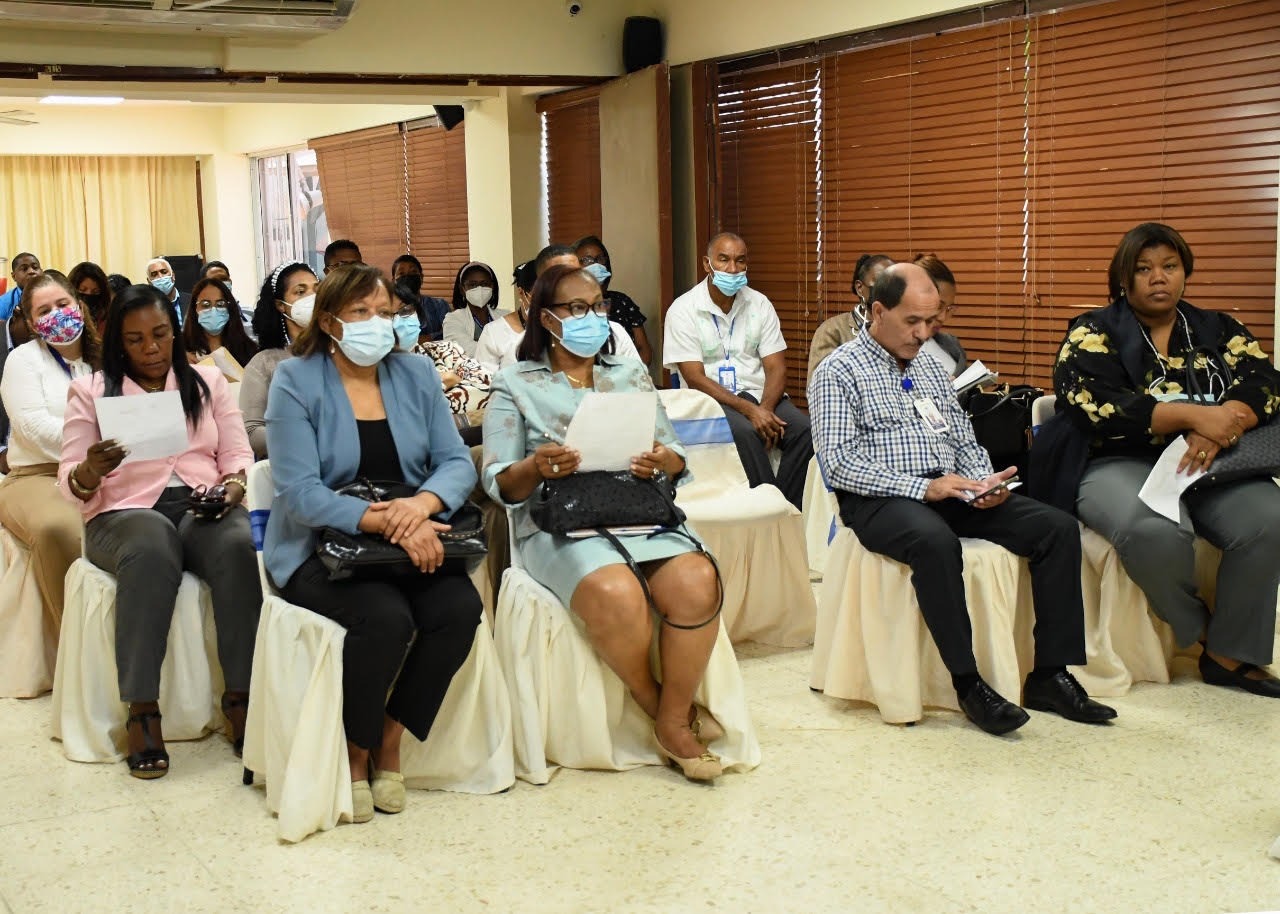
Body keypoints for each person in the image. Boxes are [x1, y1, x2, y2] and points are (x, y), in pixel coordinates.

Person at [809, 262, 1115, 735]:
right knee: (933, 542)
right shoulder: (838, 371)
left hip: (951, 487)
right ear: (877, 311)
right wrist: (922, 488)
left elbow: (964, 440)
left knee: (1054, 528)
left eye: (931, 322)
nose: (923, 333)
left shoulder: (931, 368)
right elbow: (839, 463)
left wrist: (982, 483)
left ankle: (1051, 674)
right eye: (912, 322)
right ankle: (969, 684)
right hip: (880, 497)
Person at [483, 263, 727, 781]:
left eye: (598, 307)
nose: (592, 317)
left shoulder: (629, 373)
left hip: (636, 510)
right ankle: (663, 711)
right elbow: (500, 482)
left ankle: (668, 717)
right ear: (545, 317)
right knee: (618, 593)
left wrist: (664, 461)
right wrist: (535, 465)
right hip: (559, 524)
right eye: (576, 309)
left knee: (697, 580)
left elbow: (676, 454)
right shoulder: (514, 382)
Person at [264, 264, 482, 823]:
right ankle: (356, 754)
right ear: (331, 321)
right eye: (360, 313)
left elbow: (455, 462)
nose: (375, 325)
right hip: (324, 545)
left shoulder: (415, 374)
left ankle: (390, 739)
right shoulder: (296, 379)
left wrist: (418, 509)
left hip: (409, 531)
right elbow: (301, 493)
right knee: (385, 619)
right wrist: (386, 522)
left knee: (459, 609)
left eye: (385, 313)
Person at [1053, 222, 1280, 698]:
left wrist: (1226, 423)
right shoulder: (1092, 333)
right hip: (1120, 460)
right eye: (1144, 269)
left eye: (1170, 266)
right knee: (1150, 530)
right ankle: (1201, 631)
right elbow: (1092, 403)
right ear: (1123, 278)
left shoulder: (1220, 329)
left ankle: (1229, 655)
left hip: (1217, 461)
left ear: (1185, 272)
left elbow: (1264, 383)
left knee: (1268, 517)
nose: (1159, 277)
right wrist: (1195, 416)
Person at [58, 283, 261, 778]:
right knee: (152, 544)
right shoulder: (91, 391)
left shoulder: (207, 383)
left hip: (199, 502)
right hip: (122, 512)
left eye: (160, 334)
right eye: (134, 339)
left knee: (238, 543)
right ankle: (142, 709)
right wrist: (91, 469)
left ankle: (243, 698)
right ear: (115, 342)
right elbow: (69, 484)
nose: (150, 348)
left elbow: (236, 454)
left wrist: (233, 488)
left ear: (174, 331)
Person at [663, 232, 813, 510]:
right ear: (707, 264)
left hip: (759, 395)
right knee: (746, 432)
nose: (732, 269)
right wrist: (751, 412)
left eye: (740, 261)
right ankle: (767, 510)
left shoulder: (759, 304)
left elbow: (777, 366)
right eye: (724, 260)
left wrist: (764, 409)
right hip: (710, 400)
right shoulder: (683, 310)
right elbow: (694, 377)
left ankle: (786, 508)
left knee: (805, 431)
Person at [0, 273, 101, 648]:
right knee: (57, 528)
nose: (57, 314)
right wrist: (97, 442)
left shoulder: (105, 356)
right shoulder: (23, 361)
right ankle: (78, 651)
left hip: (106, 470)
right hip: (35, 475)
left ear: (78, 304)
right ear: (29, 321)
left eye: (62, 304)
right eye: (44, 310)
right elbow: (32, 427)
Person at [241, 262, 318, 459]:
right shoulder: (264, 363)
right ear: (281, 305)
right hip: (291, 462)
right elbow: (252, 432)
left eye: (316, 289)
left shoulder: (338, 353)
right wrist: (307, 441)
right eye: (300, 292)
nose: (312, 297)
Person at [392, 279, 491, 432]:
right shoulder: (376, 369)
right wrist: (446, 379)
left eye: (406, 310)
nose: (399, 319)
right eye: (387, 314)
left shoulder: (445, 349)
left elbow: (486, 387)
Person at [808, 253, 892, 379]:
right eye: (880, 284)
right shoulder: (832, 331)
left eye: (895, 286)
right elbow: (819, 387)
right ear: (860, 288)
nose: (888, 291)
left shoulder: (903, 329)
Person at [574, 235, 653, 366]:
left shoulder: (622, 302)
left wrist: (635, 376)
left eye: (600, 258)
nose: (596, 264)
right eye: (587, 260)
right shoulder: (567, 308)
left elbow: (644, 349)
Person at [182, 277, 258, 369]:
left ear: (230, 308)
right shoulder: (181, 349)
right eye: (206, 305)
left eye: (220, 304)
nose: (213, 310)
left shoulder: (249, 350)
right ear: (195, 309)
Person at [913, 253, 967, 377]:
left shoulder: (951, 345)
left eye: (948, 309)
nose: (942, 317)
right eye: (938, 306)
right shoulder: (892, 350)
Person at [442, 261, 506, 357]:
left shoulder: (505, 316)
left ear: (492, 286)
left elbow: (517, 348)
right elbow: (465, 350)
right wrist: (502, 350)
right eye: (472, 285)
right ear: (462, 289)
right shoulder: (452, 319)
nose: (479, 289)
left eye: (484, 284)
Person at [391, 254, 449, 342]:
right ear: (393, 281)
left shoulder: (439, 306)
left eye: (413, 272)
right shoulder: (387, 311)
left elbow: (449, 334)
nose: (408, 276)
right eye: (401, 273)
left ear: (421, 278)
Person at [67, 261, 113, 335]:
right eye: (82, 290)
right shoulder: (66, 318)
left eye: (95, 292)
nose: (88, 294)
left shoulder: (108, 318)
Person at [144, 257, 187, 327]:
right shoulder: (145, 308)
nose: (160, 277)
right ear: (149, 282)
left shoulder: (192, 300)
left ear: (173, 276)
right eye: (154, 274)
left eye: (164, 272)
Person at [0, 252, 42, 321]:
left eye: (35, 267)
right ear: (14, 276)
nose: (31, 271)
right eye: (24, 269)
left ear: (42, 271)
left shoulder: (54, 294)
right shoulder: (3, 303)